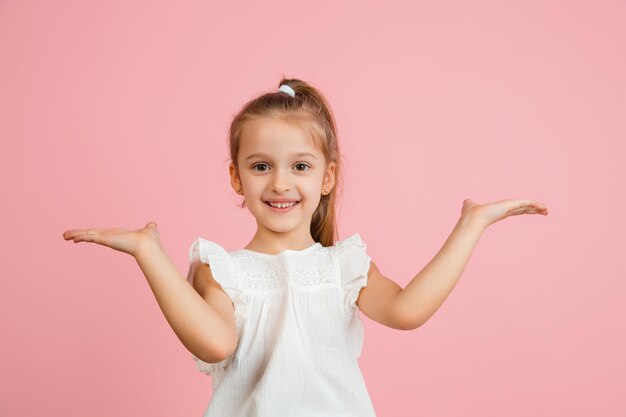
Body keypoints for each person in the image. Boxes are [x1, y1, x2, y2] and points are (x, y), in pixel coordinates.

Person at [62, 78, 549, 417]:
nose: (280, 183)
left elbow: (408, 310)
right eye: (260, 166)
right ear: (236, 176)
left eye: (300, 166)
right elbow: (215, 342)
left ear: (327, 176)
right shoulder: (222, 270)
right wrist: (150, 253)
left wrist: (472, 225)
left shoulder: (343, 267)